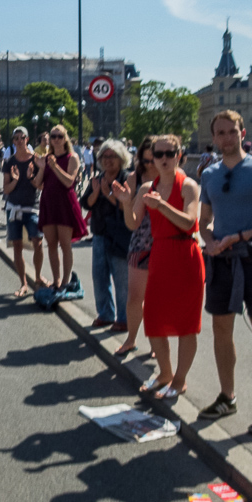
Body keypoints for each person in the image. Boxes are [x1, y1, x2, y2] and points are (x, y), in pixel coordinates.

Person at [196, 111, 252, 435]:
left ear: (242, 133)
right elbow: (204, 220)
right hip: (222, 260)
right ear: (214, 137)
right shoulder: (210, 175)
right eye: (220, 133)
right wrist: (208, 240)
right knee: (221, 328)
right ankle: (227, 396)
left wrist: (241, 236)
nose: (226, 138)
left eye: (231, 132)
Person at [114, 134, 204, 399]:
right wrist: (126, 202)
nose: (164, 159)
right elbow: (132, 224)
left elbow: (189, 222)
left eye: (170, 153)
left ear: (179, 155)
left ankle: (179, 379)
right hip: (160, 253)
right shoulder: (145, 188)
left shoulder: (188, 186)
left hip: (185, 254)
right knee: (153, 320)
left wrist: (162, 205)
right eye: (159, 154)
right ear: (151, 157)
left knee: (187, 324)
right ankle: (164, 373)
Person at [115, 136, 159, 356]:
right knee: (135, 298)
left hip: (164, 245)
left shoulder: (170, 177)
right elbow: (131, 221)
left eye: (155, 158)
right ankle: (131, 339)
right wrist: (125, 201)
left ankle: (157, 344)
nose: (151, 164)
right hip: (141, 242)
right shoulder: (135, 178)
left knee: (157, 299)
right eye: (147, 159)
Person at [83, 139, 133, 330]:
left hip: (121, 235)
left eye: (113, 157)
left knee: (121, 279)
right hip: (100, 233)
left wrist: (108, 193)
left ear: (121, 160)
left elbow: (129, 208)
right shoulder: (98, 178)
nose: (108, 161)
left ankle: (124, 319)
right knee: (99, 275)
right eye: (105, 157)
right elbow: (86, 203)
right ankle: (105, 314)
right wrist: (97, 192)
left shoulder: (127, 179)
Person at [36, 124, 87, 291]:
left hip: (65, 203)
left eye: (59, 136)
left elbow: (69, 182)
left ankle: (65, 280)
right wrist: (38, 169)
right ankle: (56, 279)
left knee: (65, 244)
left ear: (65, 139)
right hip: (49, 203)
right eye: (53, 136)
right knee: (51, 243)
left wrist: (55, 166)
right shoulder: (47, 158)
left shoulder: (72, 158)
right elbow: (38, 184)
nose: (56, 139)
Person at [2, 127, 45, 296]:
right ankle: (23, 283)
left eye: (22, 137)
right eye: (16, 138)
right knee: (17, 246)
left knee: (38, 241)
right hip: (14, 208)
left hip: (32, 207)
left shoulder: (36, 160)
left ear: (27, 139)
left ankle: (38, 277)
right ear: (13, 141)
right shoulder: (9, 162)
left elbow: (41, 186)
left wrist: (30, 177)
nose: (19, 141)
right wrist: (17, 180)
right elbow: (6, 189)